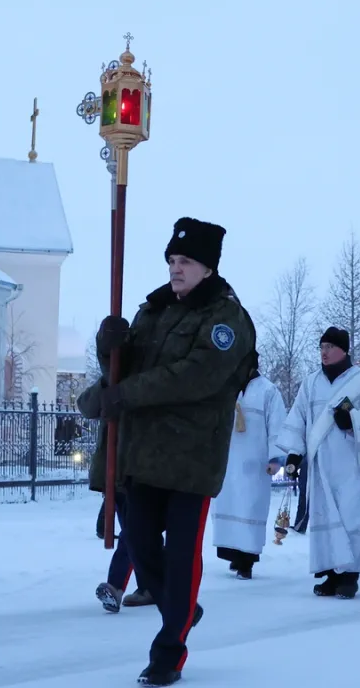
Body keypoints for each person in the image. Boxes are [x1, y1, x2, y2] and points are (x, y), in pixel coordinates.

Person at [94, 217, 257, 686]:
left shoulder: (227, 319)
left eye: (185, 261)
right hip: (144, 456)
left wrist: (128, 393)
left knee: (182, 555)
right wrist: (109, 350)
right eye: (171, 260)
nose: (175, 268)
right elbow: (127, 369)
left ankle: (169, 651)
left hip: (190, 460)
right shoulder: (154, 310)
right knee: (141, 547)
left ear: (208, 267)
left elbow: (196, 376)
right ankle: (180, 606)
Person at [276, 326, 360, 599]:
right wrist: (294, 453)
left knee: (352, 517)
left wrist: (354, 420)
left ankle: (349, 576)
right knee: (325, 519)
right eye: (322, 347)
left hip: (354, 464)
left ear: (344, 349)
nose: (324, 352)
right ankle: (330, 573)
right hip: (320, 467)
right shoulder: (311, 383)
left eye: (330, 347)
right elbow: (298, 418)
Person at [212, 355, 287, 580]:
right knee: (229, 504)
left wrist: (276, 458)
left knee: (250, 508)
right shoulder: (227, 387)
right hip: (229, 461)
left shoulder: (268, 391)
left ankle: (247, 562)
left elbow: (277, 426)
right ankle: (233, 554)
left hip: (255, 464)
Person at [80, 380, 150, 612]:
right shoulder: (112, 382)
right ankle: (150, 585)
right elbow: (85, 404)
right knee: (137, 535)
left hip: (139, 472)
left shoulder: (145, 384)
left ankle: (117, 586)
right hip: (116, 474)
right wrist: (107, 382)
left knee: (134, 533)